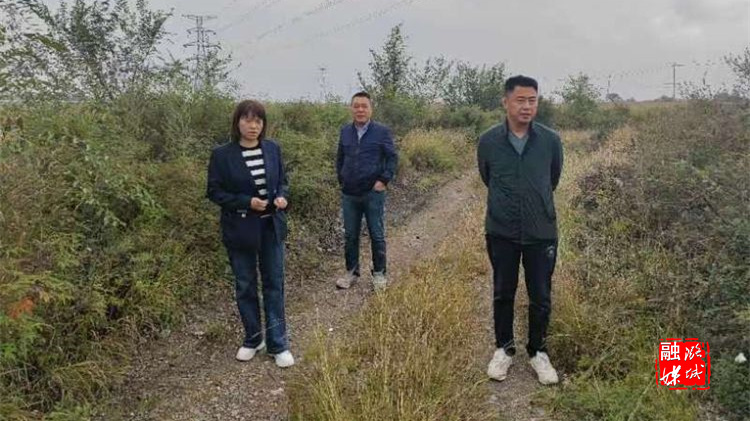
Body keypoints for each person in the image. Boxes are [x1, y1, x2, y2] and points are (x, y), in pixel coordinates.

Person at [477, 75, 563, 385]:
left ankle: (538, 351)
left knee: (540, 294)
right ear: (506, 102)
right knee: (503, 291)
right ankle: (504, 348)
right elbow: (487, 176)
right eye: (520, 100)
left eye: (532, 100)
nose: (527, 106)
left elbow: (552, 179)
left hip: (541, 230)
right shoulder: (489, 141)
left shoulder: (550, 140)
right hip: (502, 230)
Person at [206, 99, 294, 368]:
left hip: (271, 227)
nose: (253, 125)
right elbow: (214, 192)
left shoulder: (272, 149)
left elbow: (283, 182)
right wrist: (246, 202)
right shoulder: (222, 155)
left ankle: (278, 344)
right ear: (237, 123)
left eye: (258, 120)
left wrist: (282, 197)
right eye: (247, 120)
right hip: (240, 229)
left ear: (263, 124)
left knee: (274, 284)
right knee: (245, 285)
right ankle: (253, 339)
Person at [335, 91, 398, 291]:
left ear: (371, 109)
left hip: (373, 193)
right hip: (350, 193)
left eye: (364, 106)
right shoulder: (345, 131)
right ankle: (352, 272)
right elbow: (340, 158)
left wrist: (384, 180)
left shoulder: (381, 132)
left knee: (376, 234)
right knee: (350, 235)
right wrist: (342, 179)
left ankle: (379, 273)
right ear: (351, 108)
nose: (360, 110)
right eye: (356, 106)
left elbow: (392, 158)